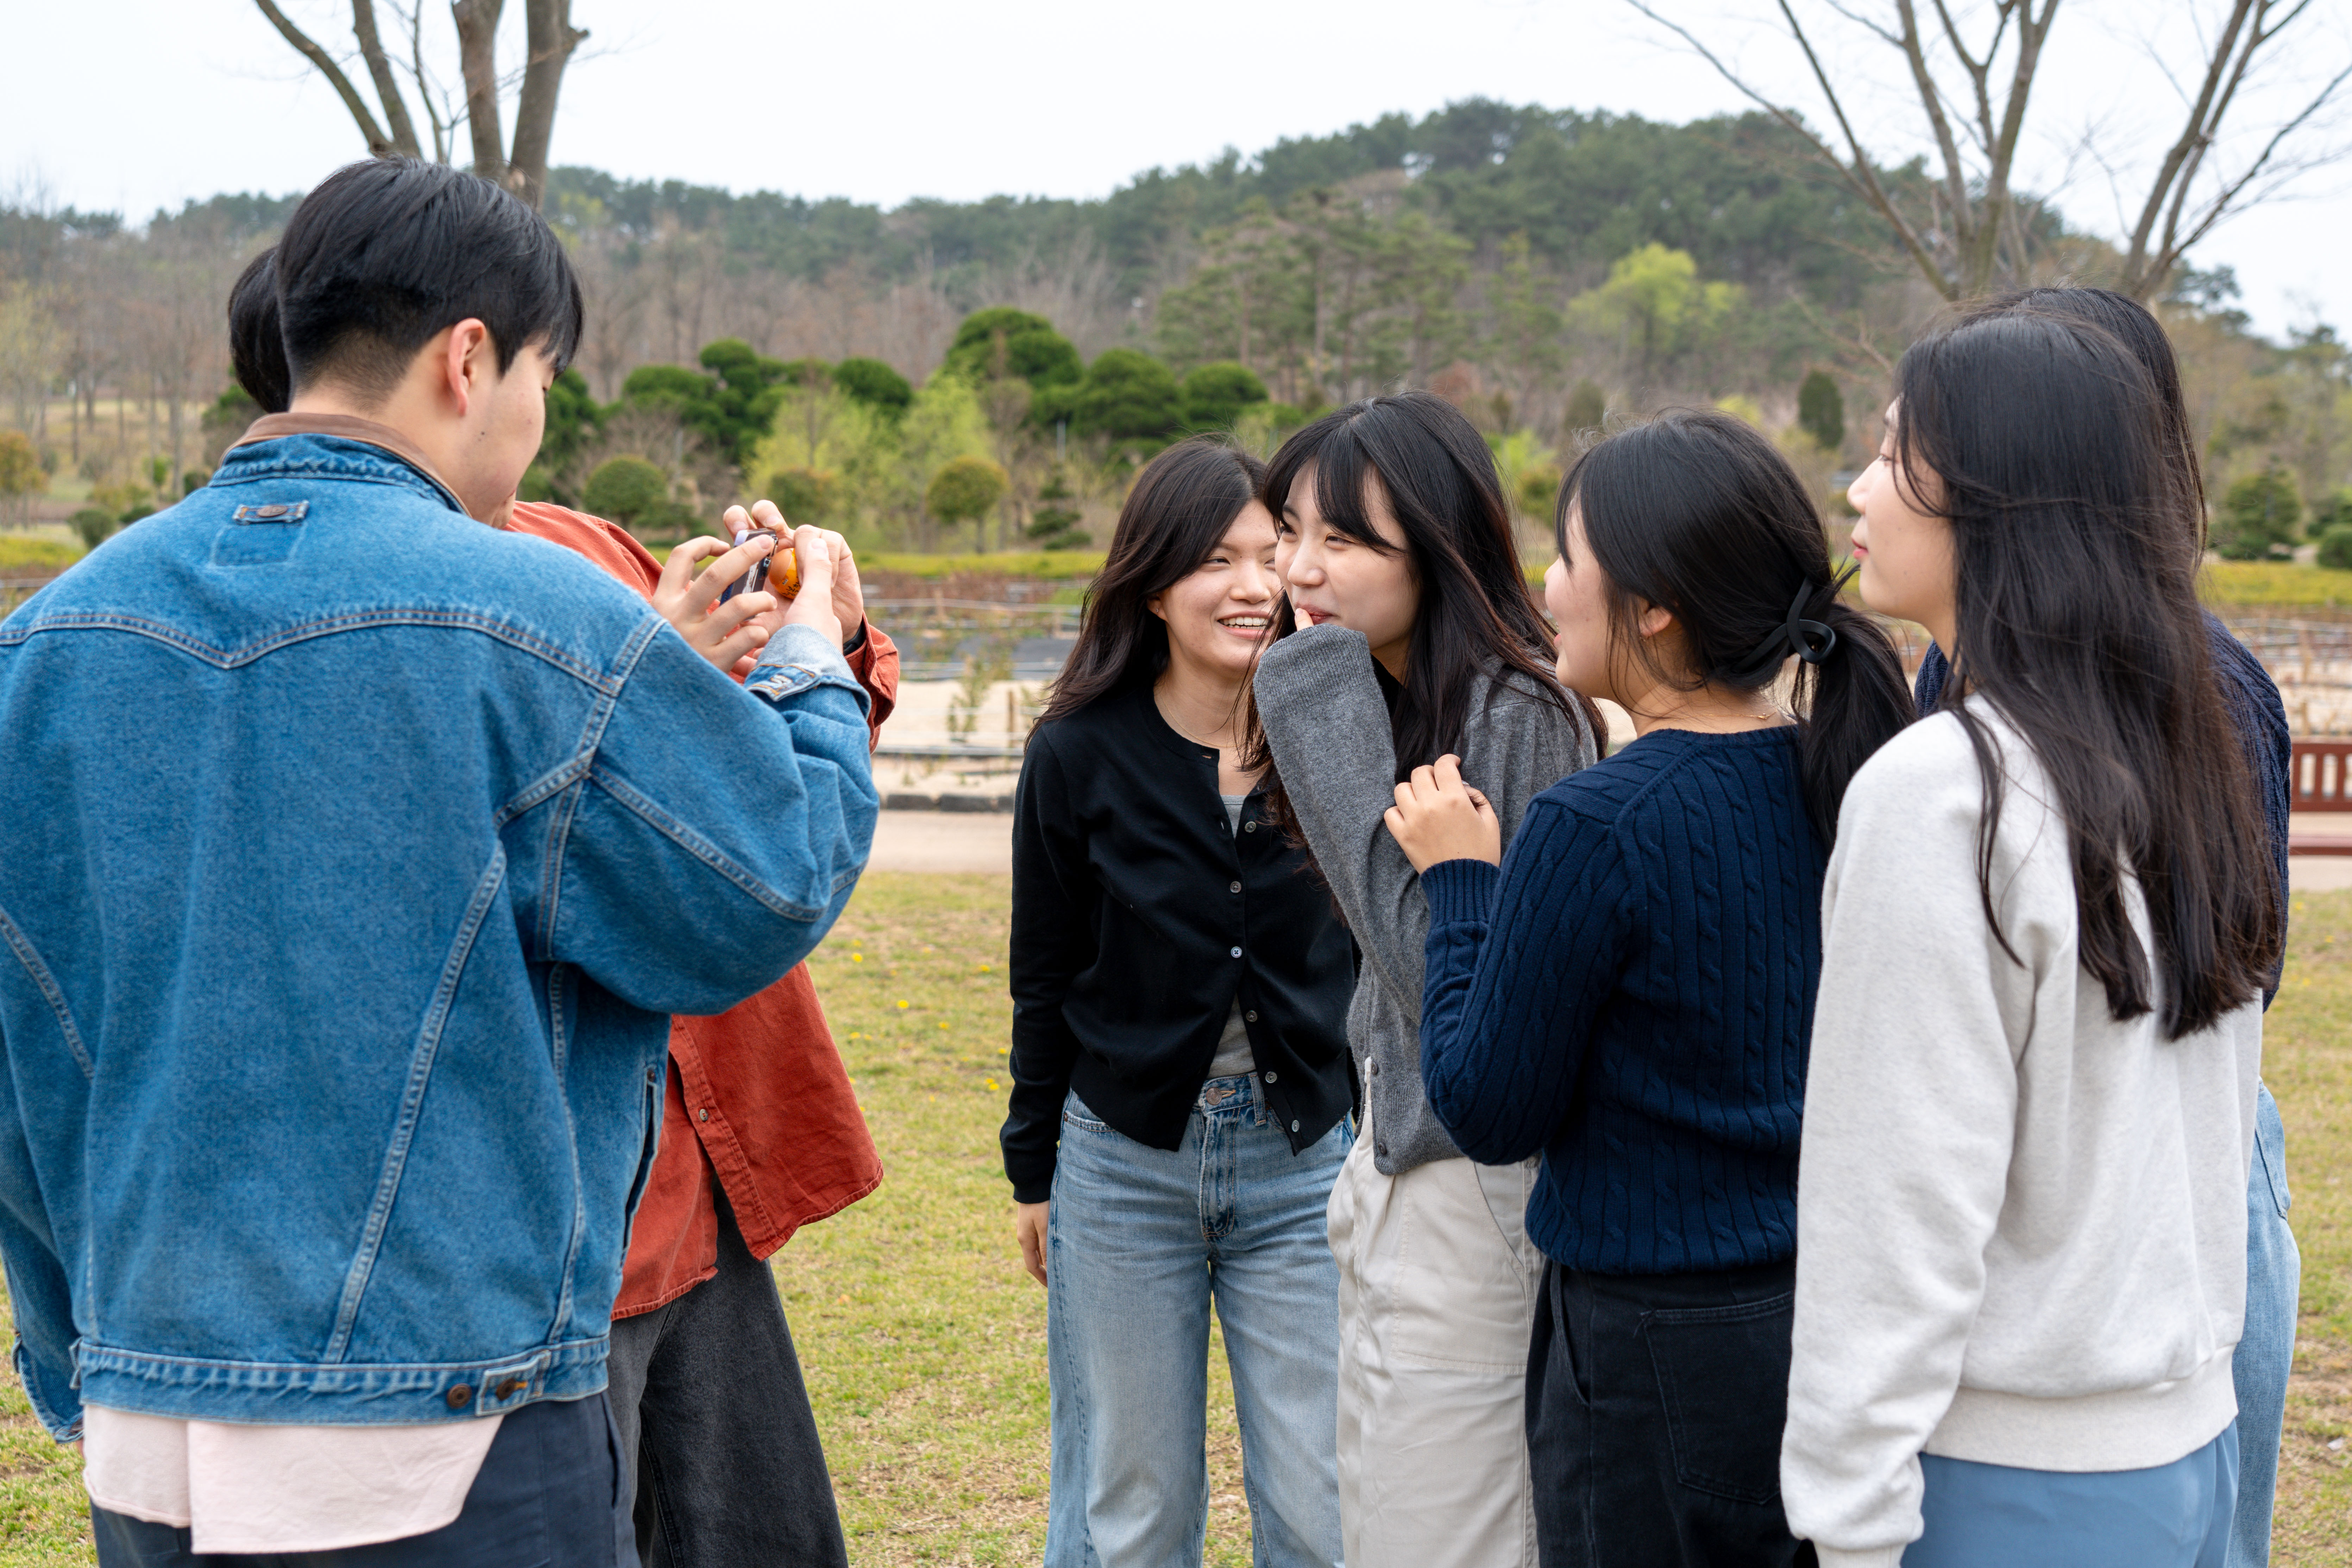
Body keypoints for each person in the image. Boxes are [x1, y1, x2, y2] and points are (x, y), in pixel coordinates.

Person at [0, 158, 877, 1567]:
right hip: (451, 1410)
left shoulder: (44, 646)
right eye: (543, 376)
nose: (536, 417)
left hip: (149, 1411)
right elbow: (767, 882)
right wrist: (812, 657)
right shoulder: (538, 616)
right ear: (469, 359)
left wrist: (80, 1339)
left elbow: (21, 1073)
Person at [222, 259, 897, 1568]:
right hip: (547, 1224)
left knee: (763, 1533)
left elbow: (761, 814)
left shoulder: (577, 547)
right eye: (541, 371)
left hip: (692, 1170)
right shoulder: (345, 608)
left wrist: (823, 643)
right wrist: (633, 701)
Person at [1781, 310, 2281, 1567]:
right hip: (2182, 1451)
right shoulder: (2185, 759)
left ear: (1994, 496)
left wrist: (1847, 1525)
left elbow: (1894, 1203)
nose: (1857, 489)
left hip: (2005, 1481)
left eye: (1893, 455)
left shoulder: (1945, 791)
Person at [1385, 408, 1912, 1567]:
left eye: (1567, 556)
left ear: (1656, 604)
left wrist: (1462, 885)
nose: (1547, 585)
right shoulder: (1846, 776)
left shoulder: (1598, 823)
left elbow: (1487, 1108)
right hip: (1819, 1309)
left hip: (1647, 1346)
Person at [1246, 391, 1599, 1568]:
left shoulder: (1518, 715)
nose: (1299, 569)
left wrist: (1308, 694)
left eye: (1343, 540)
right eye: (1290, 531)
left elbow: (1445, 985)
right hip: (1394, 1165)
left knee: (1447, 1541)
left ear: (1436, 550)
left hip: (1475, 1192)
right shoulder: (1400, 697)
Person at [1004, 439, 1356, 1568]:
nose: (1255, 586)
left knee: (1322, 1509)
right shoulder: (1075, 753)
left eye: (1270, 554)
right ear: (1153, 585)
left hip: (1303, 1166)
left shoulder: (1341, 736)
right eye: (1216, 560)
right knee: (1134, 1510)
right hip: (1122, 1168)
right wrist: (1033, 1172)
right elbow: (1042, 974)